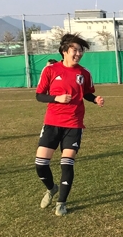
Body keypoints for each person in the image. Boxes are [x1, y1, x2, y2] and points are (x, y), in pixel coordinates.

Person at [34, 33, 105, 216]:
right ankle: (51, 188)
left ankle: (61, 203)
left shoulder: (84, 73)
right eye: (75, 50)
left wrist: (94, 99)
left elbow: (86, 93)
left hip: (73, 124)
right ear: (64, 51)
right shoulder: (50, 70)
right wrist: (56, 98)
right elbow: (39, 95)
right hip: (52, 123)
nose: (79, 53)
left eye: (81, 50)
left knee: (67, 164)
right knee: (41, 164)